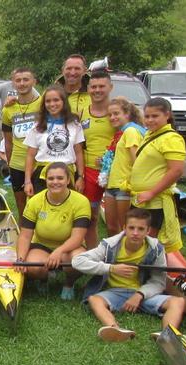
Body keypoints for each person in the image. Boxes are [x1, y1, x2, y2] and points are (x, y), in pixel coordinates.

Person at [73, 208, 185, 343]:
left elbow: (159, 281)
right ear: (124, 228)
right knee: (94, 300)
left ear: (148, 231)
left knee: (178, 301)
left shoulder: (156, 249)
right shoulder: (109, 245)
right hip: (114, 292)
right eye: (131, 228)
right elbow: (77, 261)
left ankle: (168, 335)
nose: (135, 233)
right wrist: (111, 268)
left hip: (142, 293)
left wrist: (139, 295)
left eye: (141, 229)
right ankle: (113, 328)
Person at [16, 162, 90, 300]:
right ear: (46, 180)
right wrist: (20, 259)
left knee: (79, 260)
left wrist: (59, 251)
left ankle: (69, 283)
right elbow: (25, 236)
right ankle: (43, 278)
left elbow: (77, 238)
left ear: (68, 180)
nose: (55, 182)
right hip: (42, 245)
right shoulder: (35, 201)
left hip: (70, 247)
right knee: (33, 267)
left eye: (60, 178)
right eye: (51, 179)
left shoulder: (81, 201)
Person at [128, 97, 186, 254]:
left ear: (167, 115)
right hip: (141, 199)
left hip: (155, 202)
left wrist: (151, 192)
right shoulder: (150, 134)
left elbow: (176, 170)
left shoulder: (171, 138)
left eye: (155, 116)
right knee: (139, 242)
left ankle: (155, 275)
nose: (150, 120)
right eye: (147, 116)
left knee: (151, 244)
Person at [23, 85, 86, 197]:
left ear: (64, 102)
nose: (52, 104)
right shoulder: (38, 126)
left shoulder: (74, 124)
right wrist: (27, 181)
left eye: (56, 100)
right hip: (43, 175)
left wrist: (80, 177)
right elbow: (30, 155)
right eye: (48, 101)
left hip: (67, 173)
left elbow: (79, 152)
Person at [77, 71, 116, 248]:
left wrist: (112, 158)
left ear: (110, 88)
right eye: (94, 87)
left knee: (113, 223)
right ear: (88, 89)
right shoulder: (82, 113)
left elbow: (133, 138)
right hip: (89, 172)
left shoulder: (119, 112)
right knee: (90, 218)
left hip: (115, 173)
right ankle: (94, 256)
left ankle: (116, 259)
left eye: (102, 86)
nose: (97, 90)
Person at [1, 67, 42, 217]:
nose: (22, 83)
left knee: (39, 204)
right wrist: (10, 164)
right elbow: (8, 141)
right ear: (13, 83)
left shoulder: (43, 104)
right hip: (17, 164)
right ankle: (23, 235)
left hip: (39, 163)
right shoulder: (8, 109)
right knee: (21, 205)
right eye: (18, 80)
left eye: (26, 79)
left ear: (34, 81)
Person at [101, 97, 146, 235]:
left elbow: (136, 161)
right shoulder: (121, 132)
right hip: (112, 185)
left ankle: (125, 256)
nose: (112, 117)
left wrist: (131, 185)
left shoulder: (131, 131)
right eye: (110, 115)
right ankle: (113, 256)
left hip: (124, 186)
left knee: (125, 229)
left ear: (127, 114)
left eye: (116, 113)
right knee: (111, 228)